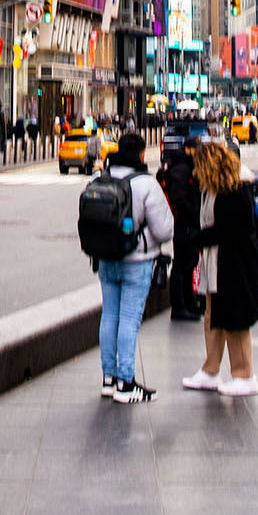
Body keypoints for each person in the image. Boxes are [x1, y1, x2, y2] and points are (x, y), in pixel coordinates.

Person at [94, 131, 174, 403]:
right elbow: (164, 230)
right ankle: (126, 384)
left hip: (105, 258)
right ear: (141, 154)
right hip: (137, 261)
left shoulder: (99, 179)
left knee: (109, 316)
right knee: (129, 320)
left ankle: (108, 378)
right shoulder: (146, 184)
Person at [183, 141, 258, 396]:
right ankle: (211, 369)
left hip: (233, 263)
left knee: (234, 320)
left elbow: (228, 229)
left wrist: (197, 239)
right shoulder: (215, 188)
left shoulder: (235, 190)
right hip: (217, 263)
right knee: (213, 318)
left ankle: (244, 374)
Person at [159, 132, 204, 321]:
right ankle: (179, 307)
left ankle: (189, 301)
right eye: (196, 149)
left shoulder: (188, 167)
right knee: (181, 265)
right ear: (188, 149)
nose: (199, 152)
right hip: (184, 223)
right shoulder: (182, 169)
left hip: (189, 222)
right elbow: (178, 197)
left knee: (190, 262)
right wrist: (193, 210)